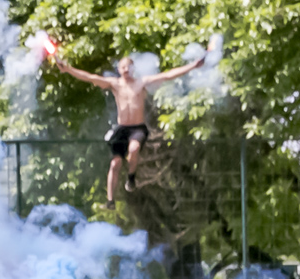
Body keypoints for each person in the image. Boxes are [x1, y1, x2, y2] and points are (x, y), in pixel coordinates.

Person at [53, 50, 206, 204]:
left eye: (128, 67)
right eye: (123, 67)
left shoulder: (141, 82)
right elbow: (90, 77)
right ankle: (110, 200)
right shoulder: (115, 84)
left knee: (134, 149)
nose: (126, 70)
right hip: (122, 129)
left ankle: (131, 177)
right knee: (115, 164)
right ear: (119, 70)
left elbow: (167, 75)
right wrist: (68, 69)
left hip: (138, 128)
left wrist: (192, 66)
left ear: (133, 69)